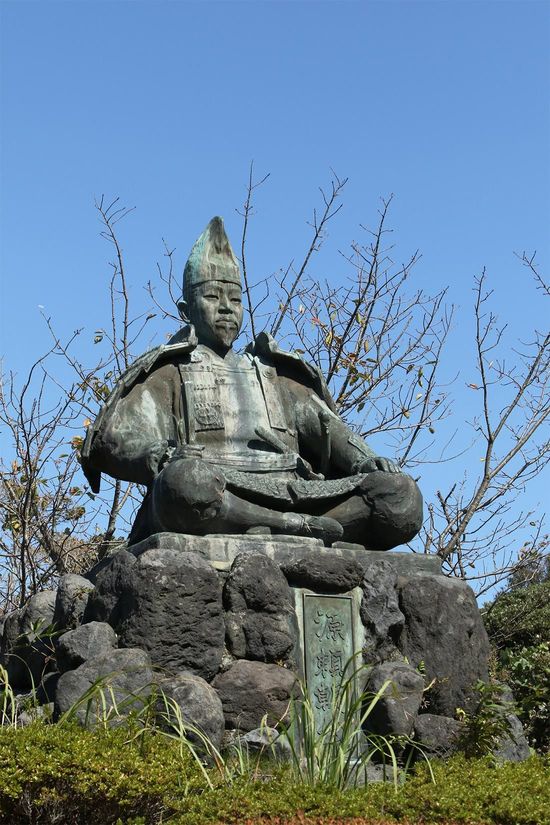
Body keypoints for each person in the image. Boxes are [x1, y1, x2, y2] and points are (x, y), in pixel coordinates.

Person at [82, 217, 423, 550]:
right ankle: (298, 528)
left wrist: (365, 460)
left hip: (297, 492)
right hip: (219, 490)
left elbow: (328, 429)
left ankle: (290, 522)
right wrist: (163, 455)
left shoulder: (277, 373)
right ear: (187, 309)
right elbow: (115, 439)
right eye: (213, 298)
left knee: (400, 494)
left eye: (235, 299)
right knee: (183, 484)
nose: (226, 309)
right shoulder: (170, 371)